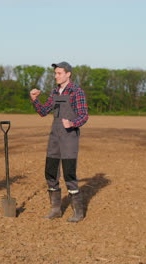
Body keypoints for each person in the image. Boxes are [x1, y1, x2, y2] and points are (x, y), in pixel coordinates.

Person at [29, 62, 89, 222]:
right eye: (55, 73)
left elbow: (84, 115)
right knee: (50, 171)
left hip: (69, 138)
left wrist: (72, 123)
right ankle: (56, 209)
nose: (56, 76)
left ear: (68, 74)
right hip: (54, 137)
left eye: (59, 73)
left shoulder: (77, 92)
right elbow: (43, 111)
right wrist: (34, 99)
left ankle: (78, 212)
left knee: (69, 173)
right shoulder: (55, 91)